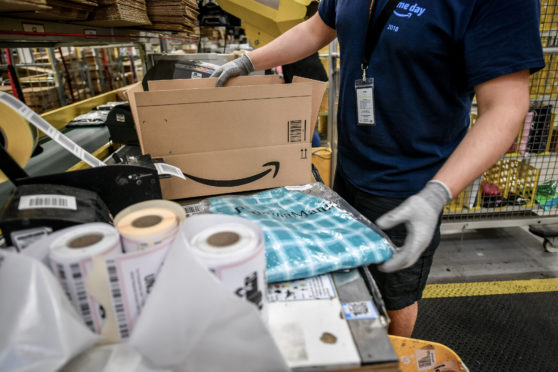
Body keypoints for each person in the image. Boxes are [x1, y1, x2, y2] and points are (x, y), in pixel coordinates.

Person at [211, 0, 544, 337]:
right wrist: (248, 61)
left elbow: (505, 108)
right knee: (348, 279)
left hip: (411, 184)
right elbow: (317, 28)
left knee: (393, 296)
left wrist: (436, 193)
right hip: (352, 166)